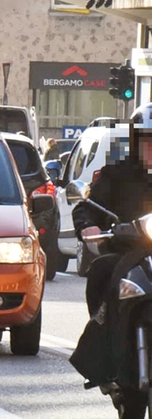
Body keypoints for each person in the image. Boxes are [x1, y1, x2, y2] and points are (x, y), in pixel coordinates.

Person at [74, 108, 152, 316]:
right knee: (101, 268)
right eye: (147, 141)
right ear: (136, 142)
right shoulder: (117, 174)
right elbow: (87, 206)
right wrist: (87, 226)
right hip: (128, 252)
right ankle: (100, 326)